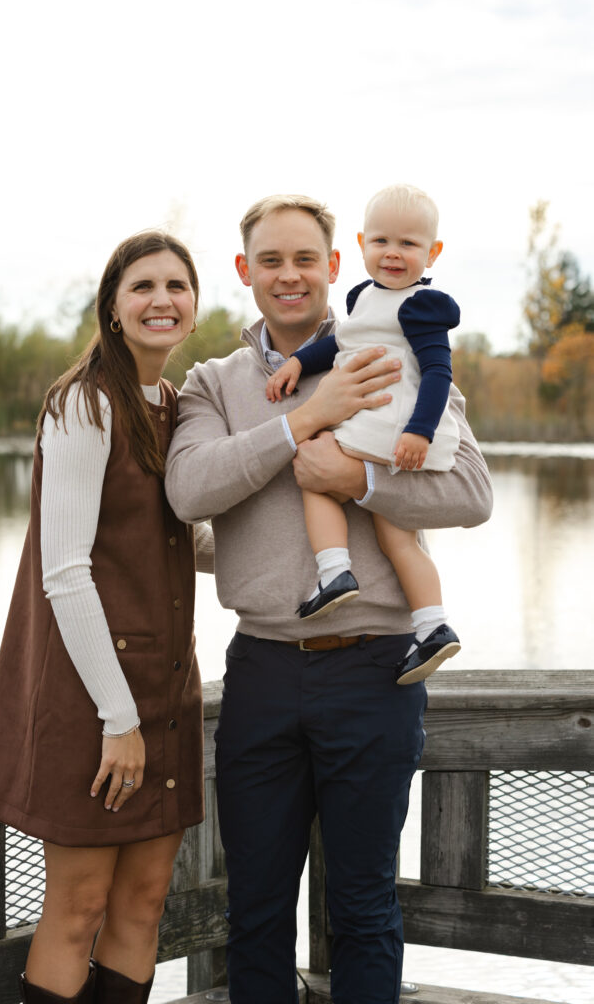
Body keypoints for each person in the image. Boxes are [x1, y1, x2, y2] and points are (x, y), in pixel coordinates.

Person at [165, 195, 492, 1004]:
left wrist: (362, 479)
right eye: (269, 261)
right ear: (244, 273)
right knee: (256, 909)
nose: (288, 276)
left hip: (376, 673)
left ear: (333, 266)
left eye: (304, 259)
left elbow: (472, 491)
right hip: (263, 675)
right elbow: (186, 491)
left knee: (363, 907)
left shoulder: (395, 352)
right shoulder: (212, 383)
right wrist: (302, 422)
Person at [0, 231, 213, 1004]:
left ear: (194, 305)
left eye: (177, 286)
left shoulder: (175, 407)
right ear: (112, 306)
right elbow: (64, 572)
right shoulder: (82, 403)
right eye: (142, 286)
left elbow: (179, 539)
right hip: (96, 703)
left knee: (143, 906)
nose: (161, 300)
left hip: (167, 694)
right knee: (77, 911)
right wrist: (117, 717)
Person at [265, 184, 461, 685]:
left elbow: (439, 373)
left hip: (392, 427)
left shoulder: (422, 306)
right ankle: (432, 625)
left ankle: (333, 572)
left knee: (313, 466)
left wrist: (419, 431)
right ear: (361, 244)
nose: (393, 253)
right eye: (381, 241)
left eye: (409, 244)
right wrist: (296, 362)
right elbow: (338, 347)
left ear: (432, 252)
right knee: (400, 540)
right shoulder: (364, 298)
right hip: (385, 433)